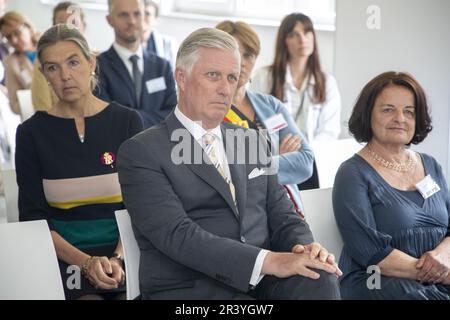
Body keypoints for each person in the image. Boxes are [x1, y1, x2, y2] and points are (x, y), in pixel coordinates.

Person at [117, 27, 341, 300]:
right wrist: (268, 261)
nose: (225, 89)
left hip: (263, 284)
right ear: (181, 77)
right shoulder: (142, 151)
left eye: (232, 78)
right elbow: (179, 236)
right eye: (213, 75)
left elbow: (283, 215)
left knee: (320, 277)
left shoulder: (250, 141)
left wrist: (305, 248)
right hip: (193, 289)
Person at [15, 24, 143, 300]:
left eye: (73, 62)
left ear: (91, 62)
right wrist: (85, 262)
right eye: (53, 67)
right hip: (62, 258)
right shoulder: (30, 134)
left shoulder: (127, 122)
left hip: (123, 253)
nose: (65, 76)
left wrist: (118, 259)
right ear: (44, 74)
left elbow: (140, 205)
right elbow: (33, 218)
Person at [333, 71, 450, 300]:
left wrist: (444, 257)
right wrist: (441, 275)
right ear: (368, 115)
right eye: (388, 110)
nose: (400, 118)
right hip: (375, 279)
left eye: (409, 111)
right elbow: (373, 254)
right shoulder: (352, 173)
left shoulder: (431, 165)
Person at [215, 20, 313, 213]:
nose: (242, 62)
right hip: (242, 213)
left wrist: (258, 163)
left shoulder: (271, 105)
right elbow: (231, 173)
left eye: (249, 55)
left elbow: (305, 162)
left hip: (287, 209)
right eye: (234, 53)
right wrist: (277, 158)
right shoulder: (209, 109)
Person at [251, 13, 342, 190]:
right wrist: (280, 153)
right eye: (294, 34)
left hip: (314, 164)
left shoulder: (327, 82)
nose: (302, 39)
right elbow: (254, 122)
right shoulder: (265, 77)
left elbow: (330, 132)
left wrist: (300, 152)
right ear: (284, 41)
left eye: (307, 32)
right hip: (275, 159)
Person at [95, 0, 177, 129]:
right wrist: (154, 118)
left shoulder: (162, 67)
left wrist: (131, 119)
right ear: (110, 20)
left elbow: (173, 115)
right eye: (124, 15)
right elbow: (106, 116)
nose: (132, 21)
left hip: (156, 146)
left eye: (137, 14)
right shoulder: (98, 66)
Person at [31, 1, 87, 111]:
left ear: (84, 27)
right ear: (53, 29)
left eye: (73, 23)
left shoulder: (99, 59)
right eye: (62, 24)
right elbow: (42, 108)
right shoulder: (43, 62)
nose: (68, 30)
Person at [0, 11, 39, 115]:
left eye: (17, 33)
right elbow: (14, 105)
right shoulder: (11, 63)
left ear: (28, 27)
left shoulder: (50, 45)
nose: (14, 41)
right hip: (37, 115)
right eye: (8, 37)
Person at [141, 0, 178, 70]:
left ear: (156, 19)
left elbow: (175, 73)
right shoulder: (126, 42)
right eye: (139, 13)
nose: (142, 18)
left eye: (147, 14)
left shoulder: (169, 43)